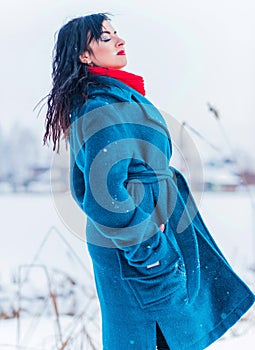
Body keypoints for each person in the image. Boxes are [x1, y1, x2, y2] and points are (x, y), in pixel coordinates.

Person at [43, 13, 255, 350]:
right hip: (138, 245)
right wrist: (149, 249)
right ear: (84, 55)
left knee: (171, 333)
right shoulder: (96, 107)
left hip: (157, 230)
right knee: (151, 337)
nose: (119, 40)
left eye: (117, 33)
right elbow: (102, 194)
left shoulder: (122, 98)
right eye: (106, 37)